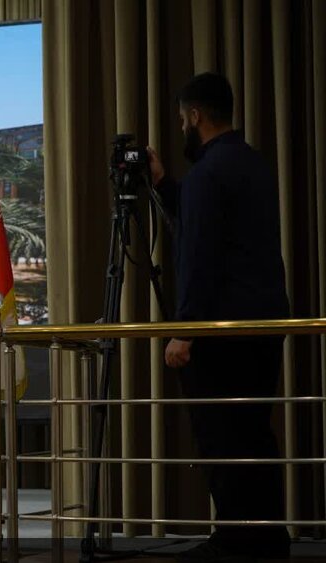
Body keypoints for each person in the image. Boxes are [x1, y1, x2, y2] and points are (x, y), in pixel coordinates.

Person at [148, 72, 291, 562]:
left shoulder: (207, 175)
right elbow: (213, 226)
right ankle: (266, 538)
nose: (181, 128)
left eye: (181, 119)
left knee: (222, 438)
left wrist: (185, 331)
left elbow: (200, 256)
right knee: (254, 434)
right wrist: (164, 184)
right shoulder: (252, 163)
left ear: (195, 116)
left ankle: (234, 541)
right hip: (264, 325)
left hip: (221, 333)